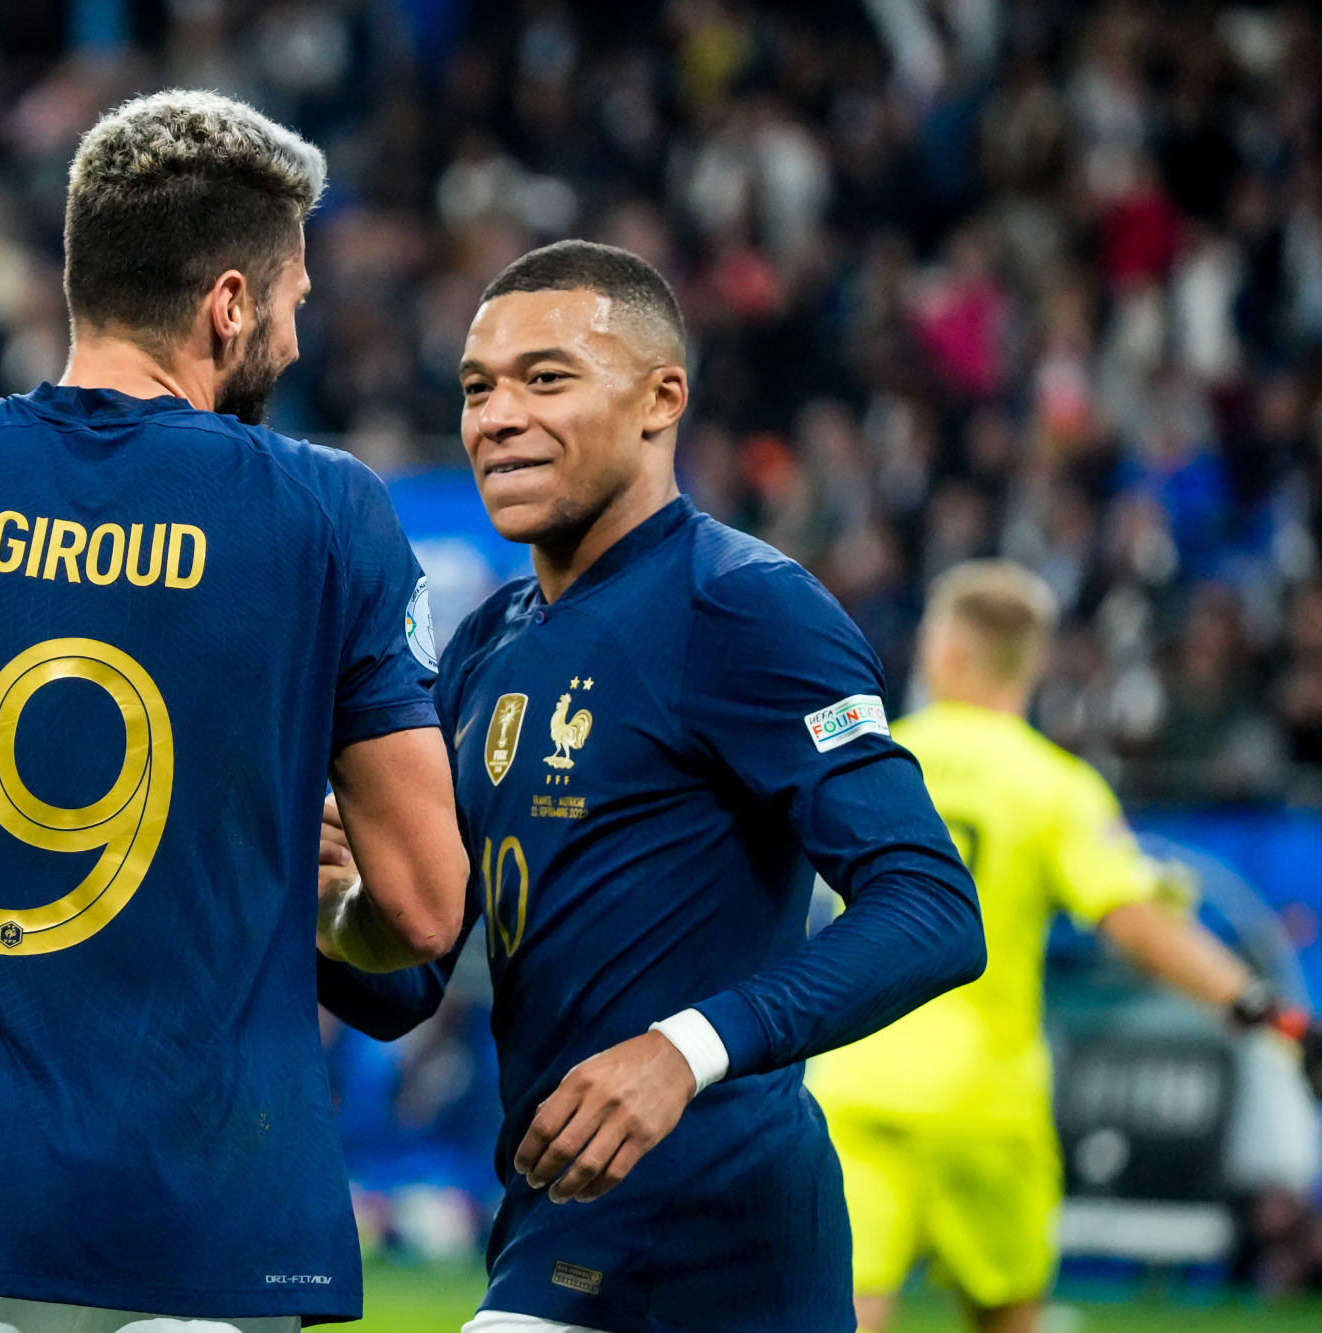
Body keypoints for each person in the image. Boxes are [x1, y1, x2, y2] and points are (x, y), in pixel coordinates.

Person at [0, 90, 469, 1333]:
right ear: (229, 303)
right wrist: (324, 896)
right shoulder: (328, 516)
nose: (297, 332)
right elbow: (426, 910)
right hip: (207, 1244)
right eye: (292, 296)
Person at [317, 240, 986, 1333]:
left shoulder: (745, 607)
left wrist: (683, 1048)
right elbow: (409, 981)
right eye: (477, 388)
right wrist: (336, 912)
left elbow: (932, 906)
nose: (497, 417)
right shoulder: (485, 645)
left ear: (660, 399)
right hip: (558, 1214)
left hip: (711, 1228)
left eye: (545, 378)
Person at [805, 559, 1322, 1333]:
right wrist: (1270, 1015)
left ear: (945, 648)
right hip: (986, 1098)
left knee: (845, 1310)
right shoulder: (1050, 784)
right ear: (1030, 661)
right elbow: (1136, 923)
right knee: (1008, 1314)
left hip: (859, 1083)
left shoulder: (874, 759)